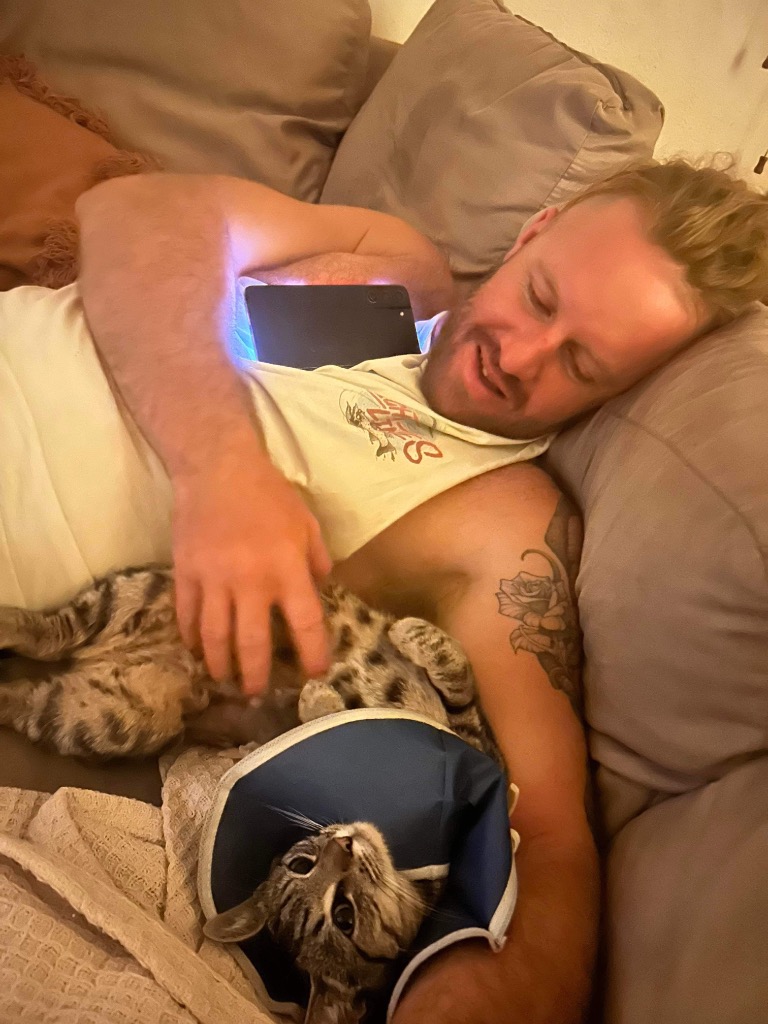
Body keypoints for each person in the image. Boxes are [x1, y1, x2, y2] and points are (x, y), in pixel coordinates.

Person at [4, 157, 767, 1024]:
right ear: (534, 233)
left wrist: (491, 993)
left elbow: (552, 834)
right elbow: (130, 210)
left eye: (582, 364)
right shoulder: (394, 262)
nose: (520, 356)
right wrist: (223, 469)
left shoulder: (501, 520)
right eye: (540, 298)